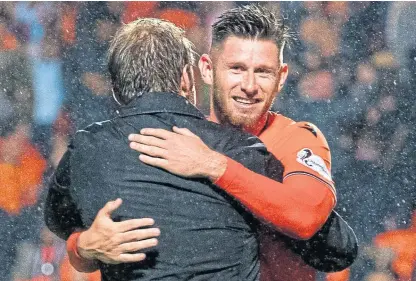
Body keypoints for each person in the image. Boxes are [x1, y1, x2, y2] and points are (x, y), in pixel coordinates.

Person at [65, 4, 357, 281]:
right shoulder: (170, 142)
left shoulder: (297, 138)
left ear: (281, 78)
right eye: (237, 69)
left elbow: (306, 217)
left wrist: (214, 166)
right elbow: (108, 243)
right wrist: (82, 247)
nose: (250, 86)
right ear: (205, 70)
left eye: (263, 72)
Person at [45, 17, 288, 280]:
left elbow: (59, 222)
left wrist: (81, 246)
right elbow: (323, 241)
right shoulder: (242, 150)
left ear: (116, 89)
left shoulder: (88, 150)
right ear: (186, 78)